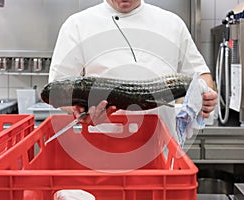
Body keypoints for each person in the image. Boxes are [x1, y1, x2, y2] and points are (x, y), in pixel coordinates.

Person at [48, 0, 217, 144]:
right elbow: (57, 91)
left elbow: (201, 75)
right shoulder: (77, 25)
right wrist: (80, 109)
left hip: (162, 149)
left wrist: (205, 96)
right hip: (101, 148)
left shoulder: (172, 24)